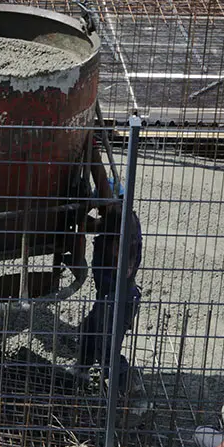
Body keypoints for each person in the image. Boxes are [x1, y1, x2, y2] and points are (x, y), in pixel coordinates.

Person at [77, 158, 149, 416]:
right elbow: (91, 225)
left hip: (119, 300)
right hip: (109, 296)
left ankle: (135, 395)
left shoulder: (121, 221)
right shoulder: (120, 218)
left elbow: (123, 261)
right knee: (88, 329)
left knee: (107, 354)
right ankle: (81, 375)